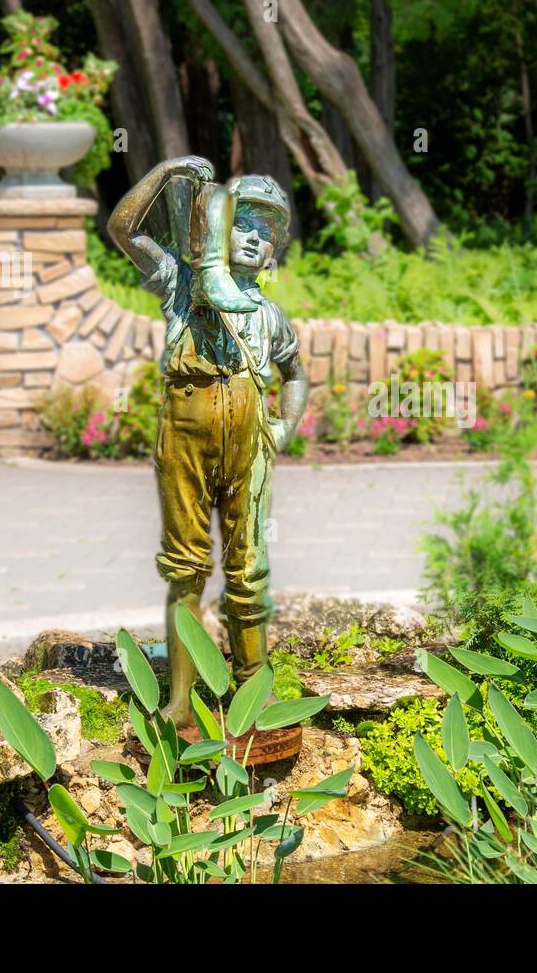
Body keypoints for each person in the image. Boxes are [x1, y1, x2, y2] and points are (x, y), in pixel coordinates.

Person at [108, 156, 309, 726]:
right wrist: (167, 170)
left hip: (248, 446)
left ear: (274, 252)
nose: (253, 237)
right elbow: (124, 229)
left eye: (265, 232)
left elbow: (294, 375)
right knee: (186, 569)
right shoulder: (180, 284)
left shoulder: (269, 316)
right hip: (186, 439)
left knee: (248, 570)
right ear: (216, 231)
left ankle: (253, 691)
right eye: (243, 224)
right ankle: (180, 700)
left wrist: (282, 426)